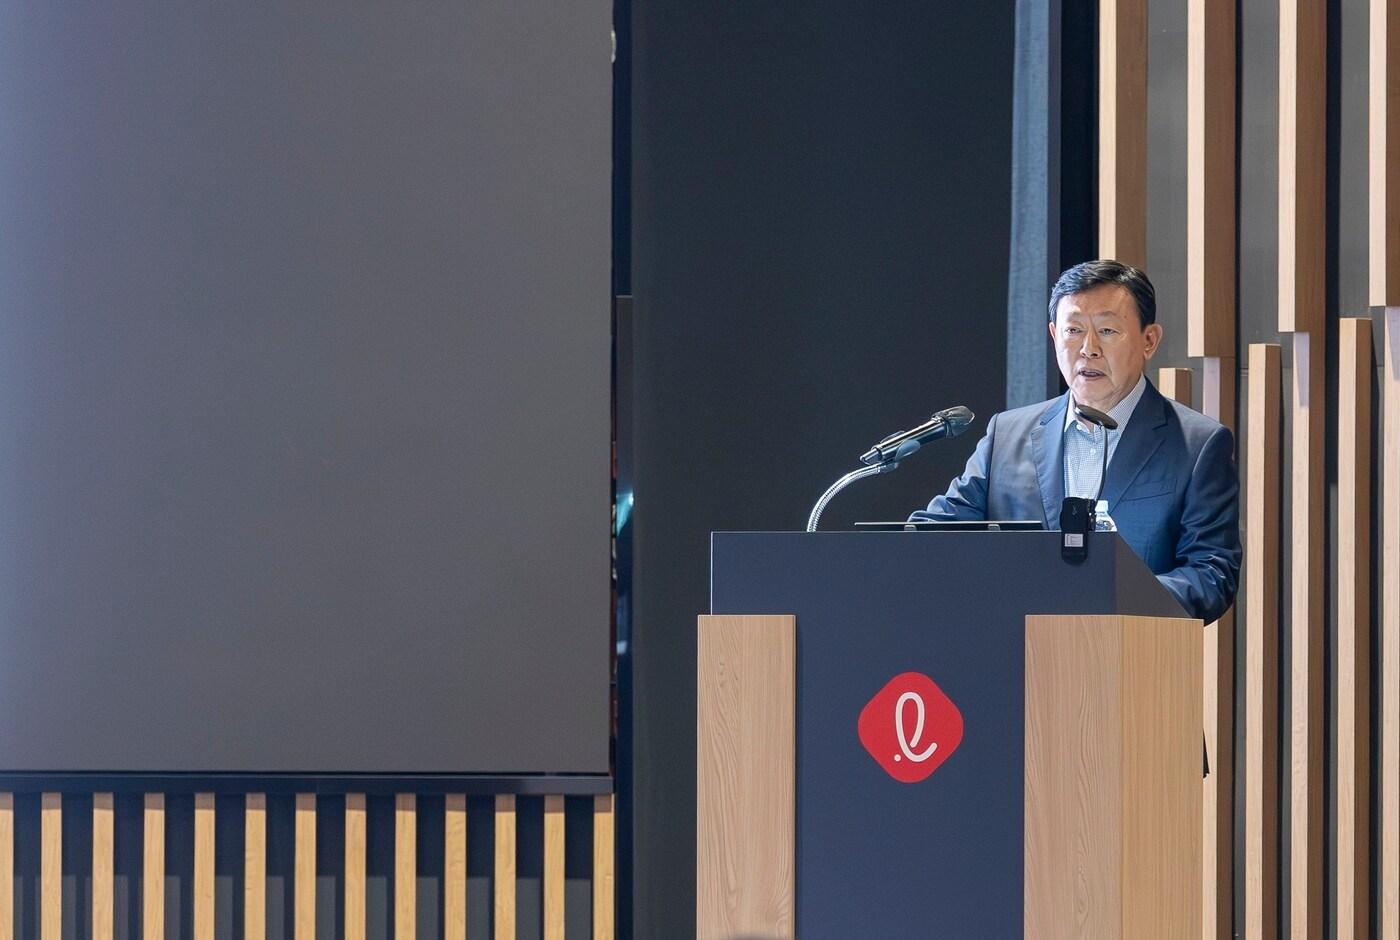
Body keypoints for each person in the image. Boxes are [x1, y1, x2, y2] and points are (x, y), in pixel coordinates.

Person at [911, 259, 1241, 623]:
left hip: (1133, 652)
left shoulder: (1198, 445)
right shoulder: (1006, 435)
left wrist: (1110, 598)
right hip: (1013, 651)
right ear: (1054, 335)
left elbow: (1212, 574)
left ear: (1149, 340)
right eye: (1073, 330)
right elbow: (934, 537)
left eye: (1107, 330)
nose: (1088, 348)